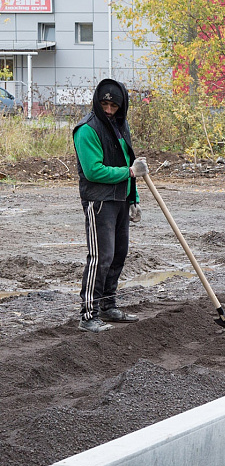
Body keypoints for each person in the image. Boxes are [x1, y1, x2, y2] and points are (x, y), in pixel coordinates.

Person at [73, 79, 147, 333]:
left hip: (119, 200)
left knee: (118, 254)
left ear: (121, 105)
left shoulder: (120, 124)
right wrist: (129, 172)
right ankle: (88, 314)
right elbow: (93, 171)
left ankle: (107, 305)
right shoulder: (86, 129)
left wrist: (133, 198)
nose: (108, 109)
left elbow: (128, 160)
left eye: (113, 105)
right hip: (99, 201)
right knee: (100, 258)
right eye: (104, 104)